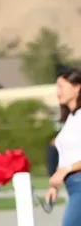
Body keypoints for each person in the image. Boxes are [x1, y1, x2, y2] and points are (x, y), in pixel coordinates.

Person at [45, 68, 81, 226]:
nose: (57, 92)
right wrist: (54, 185)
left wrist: (66, 170)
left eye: (61, 86)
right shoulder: (70, 120)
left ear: (77, 87)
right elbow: (67, 154)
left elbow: (68, 163)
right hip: (73, 186)